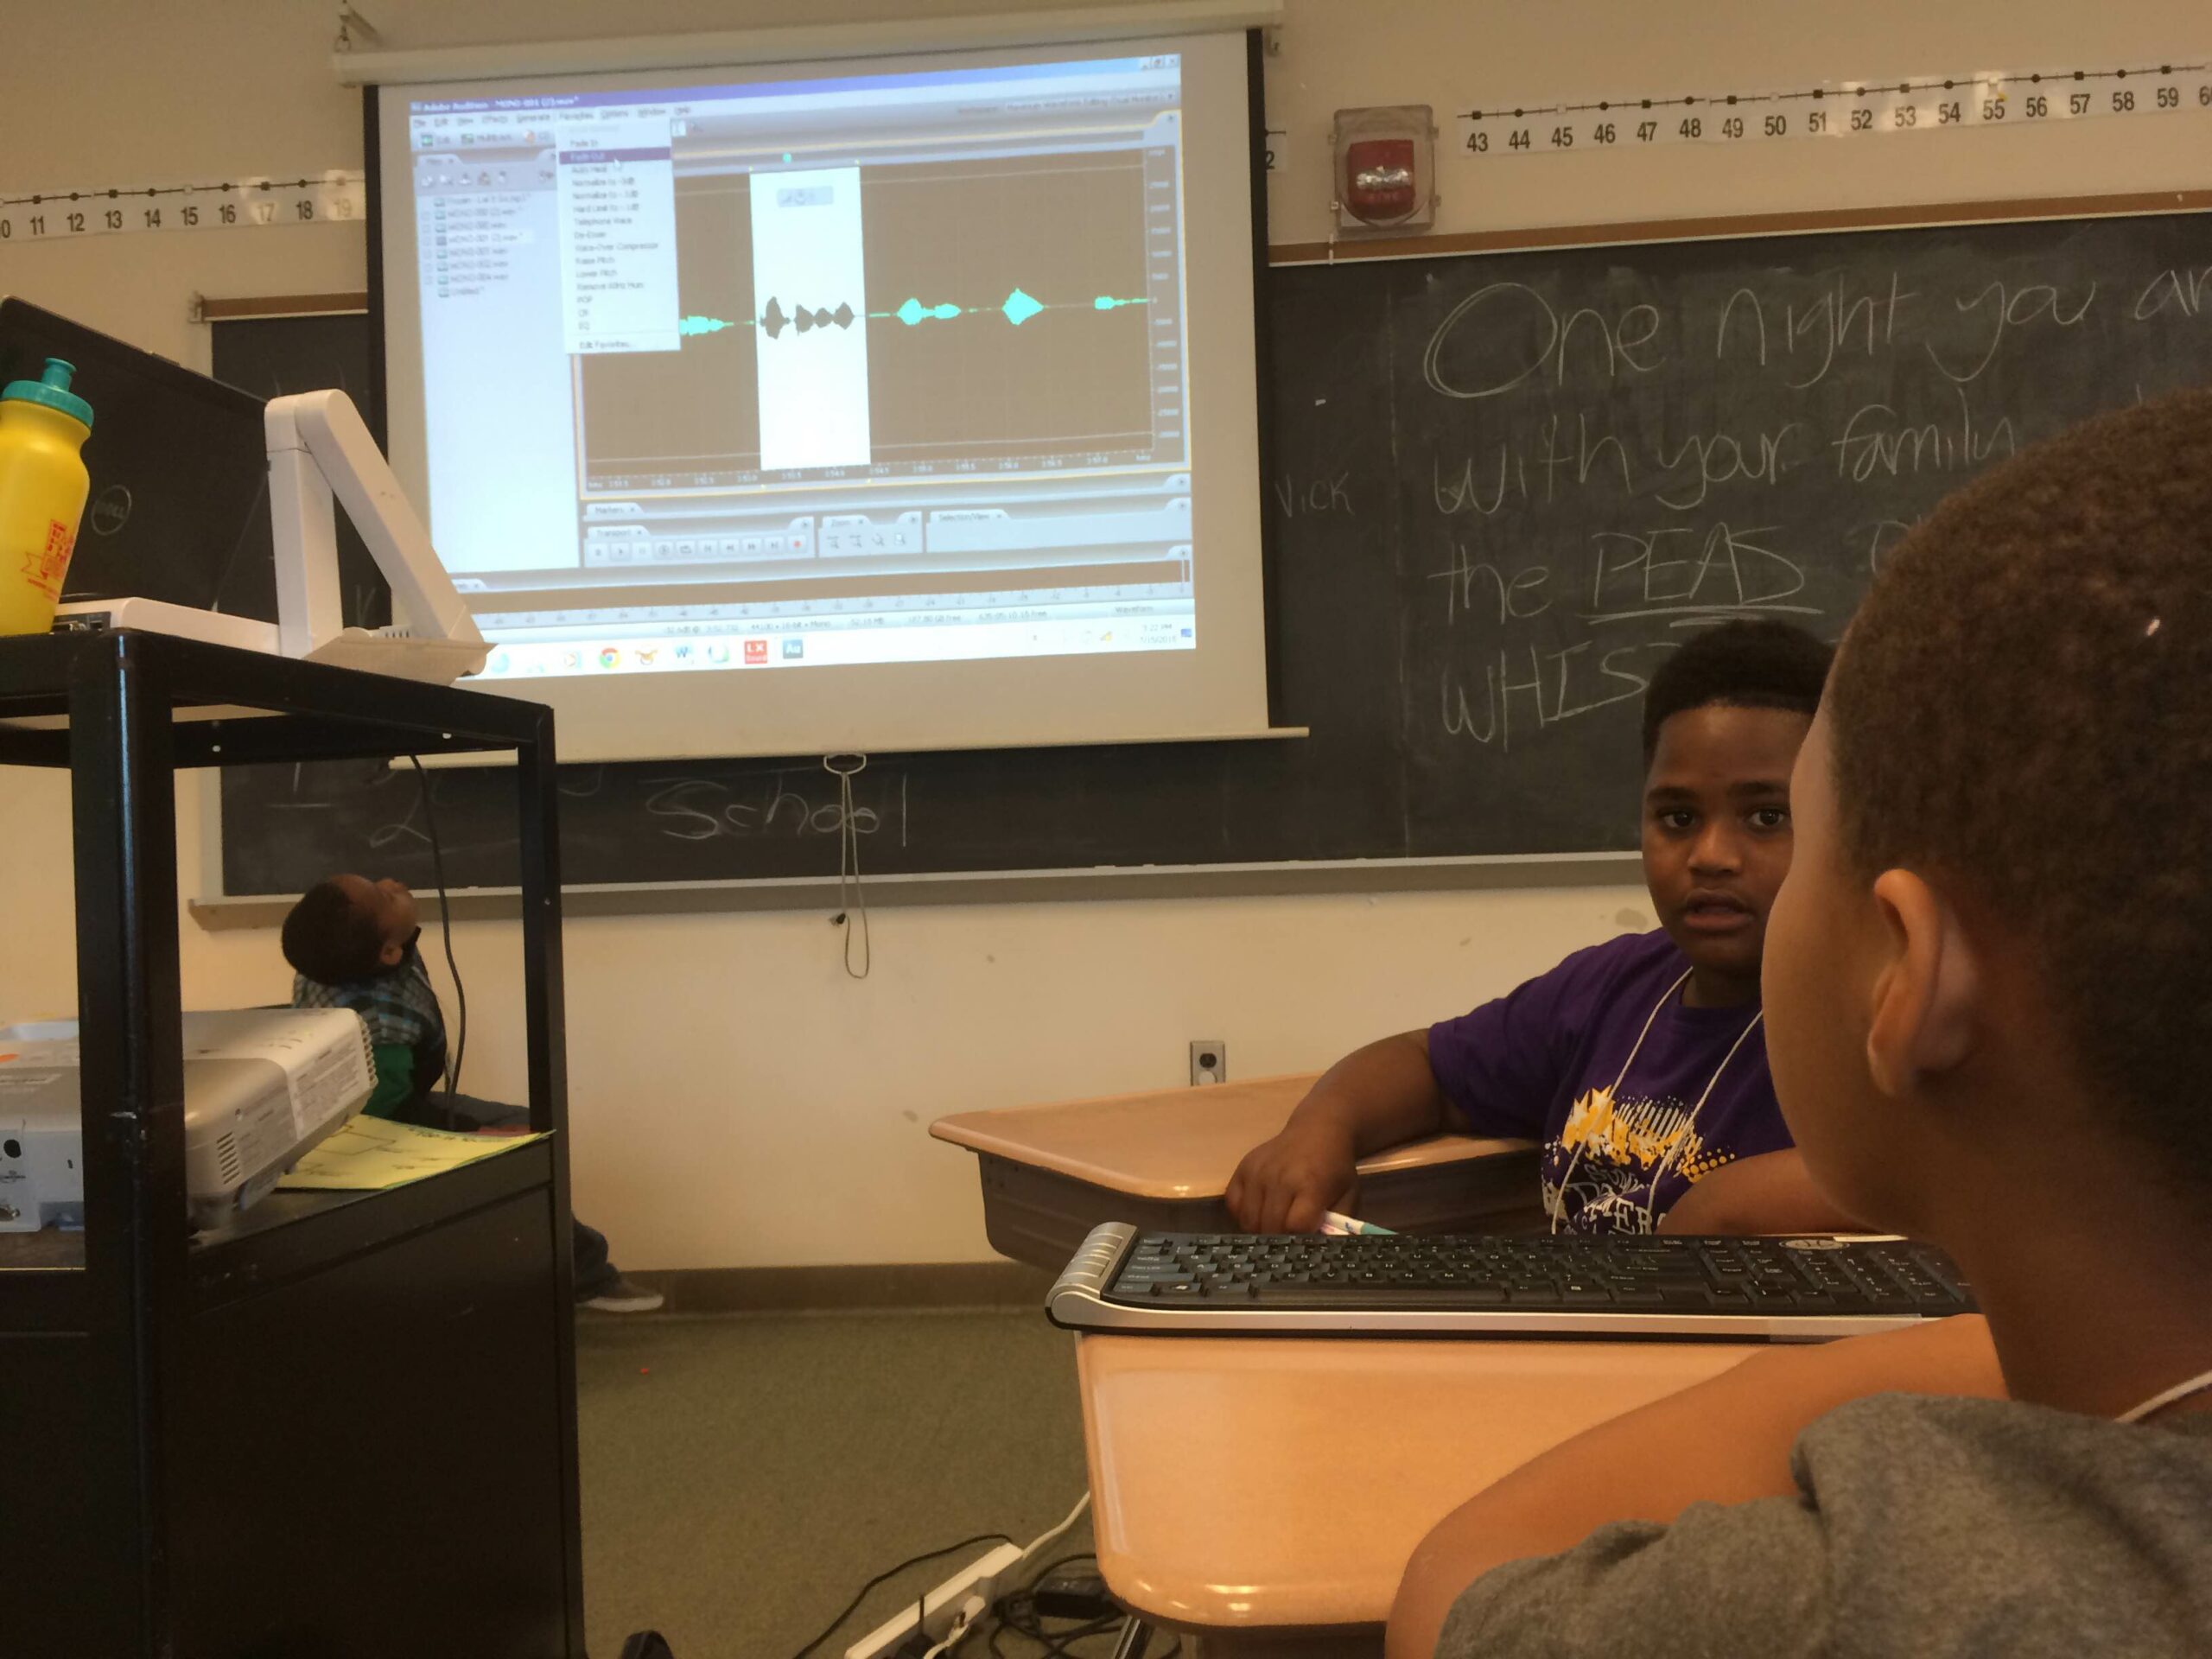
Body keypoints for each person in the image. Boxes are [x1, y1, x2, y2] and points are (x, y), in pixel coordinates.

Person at [1387, 390, 2212, 1656]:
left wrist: (1848, 1391)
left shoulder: (1854, 1590)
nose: (1721, 861)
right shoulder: (1608, 989)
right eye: (1678, 818)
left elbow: (1456, 1593)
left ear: (1904, 975)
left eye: (1796, 828)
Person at [1228, 619, 1853, 1236]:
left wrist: (1724, 1206)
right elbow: (1427, 1067)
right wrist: (1320, 1127)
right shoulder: (1610, 990)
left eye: (1768, 816)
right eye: (1678, 816)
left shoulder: (1868, 1020)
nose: (1710, 853)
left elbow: (1934, 1176)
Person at [283, 873, 664, 1314]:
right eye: (383, 894)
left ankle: (571, 1271)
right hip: (373, 1127)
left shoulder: (352, 956)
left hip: (394, 1100)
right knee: (527, 1142)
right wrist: (474, 1132)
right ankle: (583, 1276)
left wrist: (393, 915)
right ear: (387, 951)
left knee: (532, 1125)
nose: (392, 883)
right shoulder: (375, 1029)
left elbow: (386, 935)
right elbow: (383, 1119)